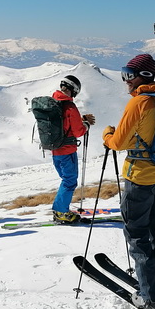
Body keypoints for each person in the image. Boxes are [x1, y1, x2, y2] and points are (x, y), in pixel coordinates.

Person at [102, 54, 155, 309]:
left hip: (139, 178)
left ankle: (150, 298)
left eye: (128, 74)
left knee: (137, 235)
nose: (125, 80)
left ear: (141, 77)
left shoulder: (138, 103)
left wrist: (107, 133)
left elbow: (119, 143)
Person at [50, 75, 95, 224]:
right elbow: (78, 132)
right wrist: (86, 125)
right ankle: (61, 212)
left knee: (66, 180)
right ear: (74, 90)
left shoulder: (52, 103)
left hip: (55, 150)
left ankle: (59, 209)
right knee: (69, 181)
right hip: (67, 150)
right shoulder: (69, 106)